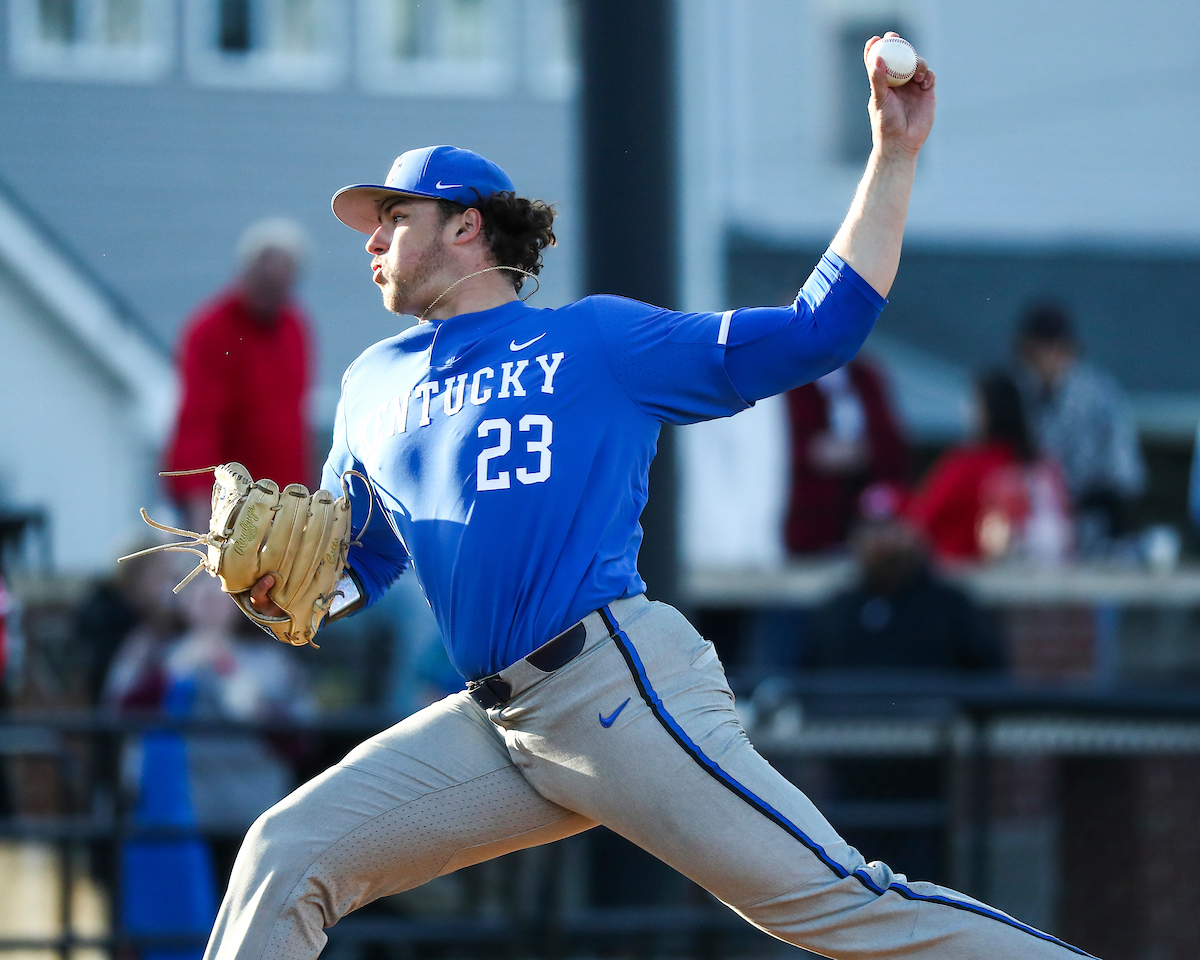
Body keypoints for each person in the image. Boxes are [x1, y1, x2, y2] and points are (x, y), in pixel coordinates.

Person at [207, 38, 1094, 960]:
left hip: (612, 688)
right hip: (494, 721)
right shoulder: (369, 384)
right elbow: (371, 557)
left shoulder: (594, 342)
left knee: (840, 904)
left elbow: (817, 331)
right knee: (286, 851)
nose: (373, 238)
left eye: (394, 214)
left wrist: (892, 156)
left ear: (465, 226)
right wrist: (304, 596)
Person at [164, 219, 313, 531]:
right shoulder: (211, 329)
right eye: (263, 278)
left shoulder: (295, 329)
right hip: (226, 505)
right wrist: (199, 511)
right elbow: (198, 422)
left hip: (282, 503)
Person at [1014, 303, 1144, 554]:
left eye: (1036, 352)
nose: (1030, 362)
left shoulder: (1090, 392)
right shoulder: (1035, 391)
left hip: (1098, 512)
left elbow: (1118, 475)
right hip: (1056, 517)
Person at [907, 371, 1072, 564]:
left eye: (971, 403)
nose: (964, 409)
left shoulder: (964, 466)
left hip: (966, 578)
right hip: (1040, 580)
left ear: (986, 411)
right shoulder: (1044, 466)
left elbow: (921, 521)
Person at [783, 356, 909, 554]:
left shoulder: (866, 376)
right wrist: (812, 453)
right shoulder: (787, 380)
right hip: (804, 521)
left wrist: (866, 451)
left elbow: (891, 441)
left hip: (859, 519)